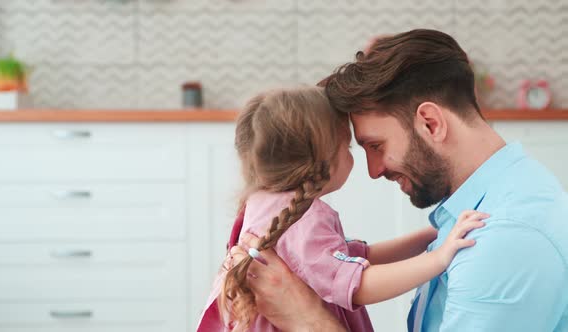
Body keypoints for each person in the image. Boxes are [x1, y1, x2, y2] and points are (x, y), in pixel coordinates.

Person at [227, 29, 568, 331]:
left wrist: (308, 321)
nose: (373, 171)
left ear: (431, 123)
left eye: (376, 146)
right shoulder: (492, 205)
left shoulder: (504, 243)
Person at [196, 86, 487, 331]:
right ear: (320, 160)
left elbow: (360, 257)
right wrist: (439, 258)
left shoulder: (264, 204)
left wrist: (429, 236)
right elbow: (358, 284)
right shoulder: (306, 218)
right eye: (347, 147)